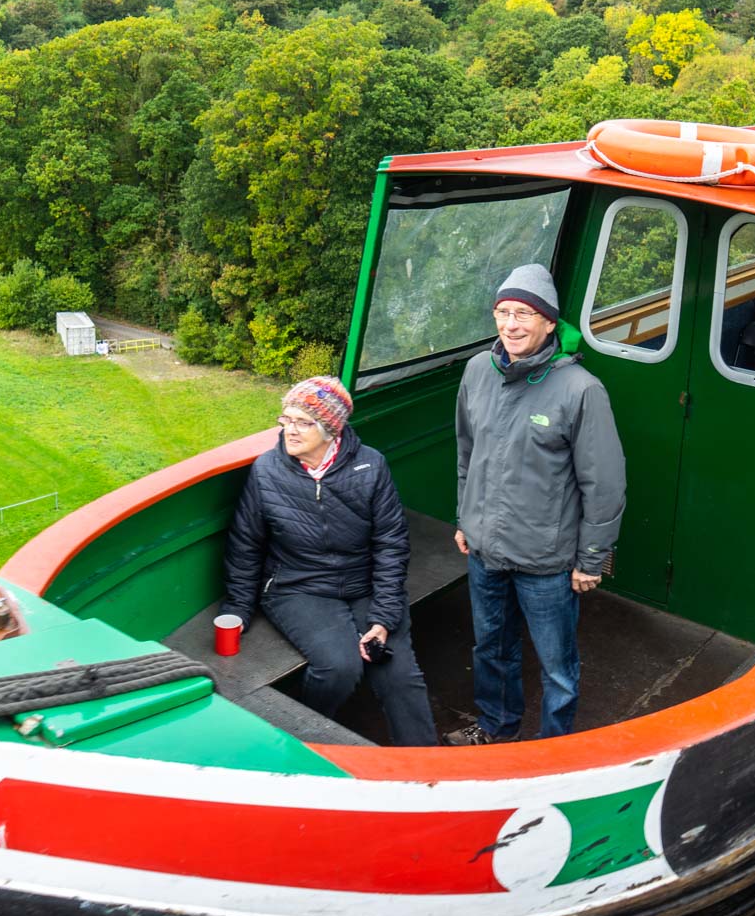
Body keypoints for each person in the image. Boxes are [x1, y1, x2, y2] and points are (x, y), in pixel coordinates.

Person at [446, 264, 626, 745]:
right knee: (491, 650)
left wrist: (592, 559)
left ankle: (552, 752)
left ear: (549, 323)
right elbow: (468, 453)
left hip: (547, 562)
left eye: (524, 313)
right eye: (502, 312)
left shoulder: (580, 389)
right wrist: (465, 518)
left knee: (557, 667)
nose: (511, 325)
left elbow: (604, 485)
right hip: (485, 551)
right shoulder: (476, 372)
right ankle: (496, 731)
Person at [221, 376, 438, 746]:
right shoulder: (267, 470)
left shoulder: (371, 466)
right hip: (298, 588)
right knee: (339, 667)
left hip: (365, 584)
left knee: (398, 674)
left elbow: (391, 544)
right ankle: (305, 743)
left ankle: (429, 769)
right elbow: (246, 543)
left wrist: (383, 619)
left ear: (331, 428)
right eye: (285, 420)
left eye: (303, 422)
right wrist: (239, 610)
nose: (290, 430)